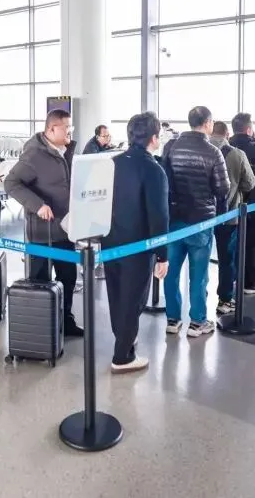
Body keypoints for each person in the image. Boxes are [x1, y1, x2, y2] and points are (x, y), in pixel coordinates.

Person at [102, 112, 169, 373]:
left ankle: (124, 338)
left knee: (117, 295)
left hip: (110, 242)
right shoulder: (153, 170)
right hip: (138, 247)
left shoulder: (113, 163)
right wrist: (162, 255)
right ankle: (122, 357)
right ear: (154, 138)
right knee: (133, 299)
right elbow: (158, 216)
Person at [5, 110, 82, 335]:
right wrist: (38, 205)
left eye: (71, 127)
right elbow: (11, 183)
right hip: (42, 233)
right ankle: (41, 329)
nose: (70, 131)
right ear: (51, 129)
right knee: (40, 281)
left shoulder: (66, 150)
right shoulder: (34, 155)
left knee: (68, 277)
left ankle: (66, 321)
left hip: (65, 229)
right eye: (66, 127)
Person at [159, 106, 230, 338]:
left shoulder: (171, 147)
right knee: (199, 274)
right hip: (201, 221)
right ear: (208, 123)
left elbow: (163, 178)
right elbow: (223, 188)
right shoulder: (213, 152)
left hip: (173, 219)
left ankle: (172, 319)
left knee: (171, 271)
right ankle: (197, 322)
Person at [209, 121, 255, 316]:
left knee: (197, 260)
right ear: (227, 134)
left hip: (199, 217)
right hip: (228, 214)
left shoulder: (200, 151)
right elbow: (249, 183)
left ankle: (199, 299)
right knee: (227, 259)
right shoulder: (237, 154)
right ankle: (225, 299)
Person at [229, 113, 255, 295]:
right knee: (250, 243)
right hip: (253, 202)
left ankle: (233, 275)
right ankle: (249, 282)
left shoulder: (227, 146)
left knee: (234, 242)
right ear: (248, 130)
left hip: (231, 204)